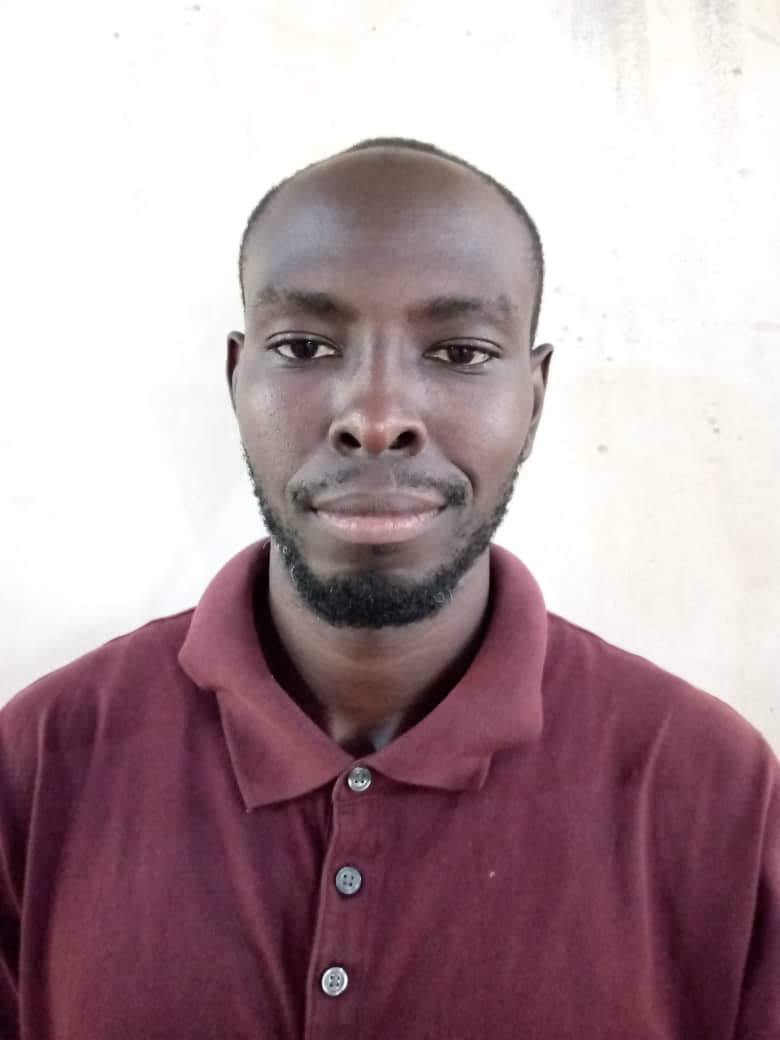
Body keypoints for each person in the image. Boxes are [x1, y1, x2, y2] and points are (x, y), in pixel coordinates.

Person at [0, 138, 777, 1040]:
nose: (375, 420)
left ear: (534, 397)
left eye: (459, 351)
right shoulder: (43, 760)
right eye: (303, 346)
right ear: (237, 378)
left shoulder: (713, 788)